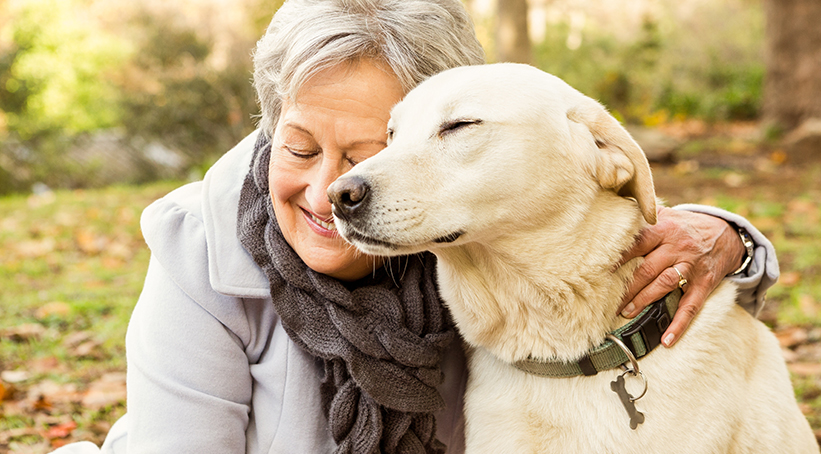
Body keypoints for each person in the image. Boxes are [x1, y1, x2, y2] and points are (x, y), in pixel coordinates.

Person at [53, 0, 778, 453]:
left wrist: (730, 236)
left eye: (370, 151)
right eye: (299, 147)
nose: (335, 187)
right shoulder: (199, 247)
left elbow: (588, 218)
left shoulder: (466, 235)